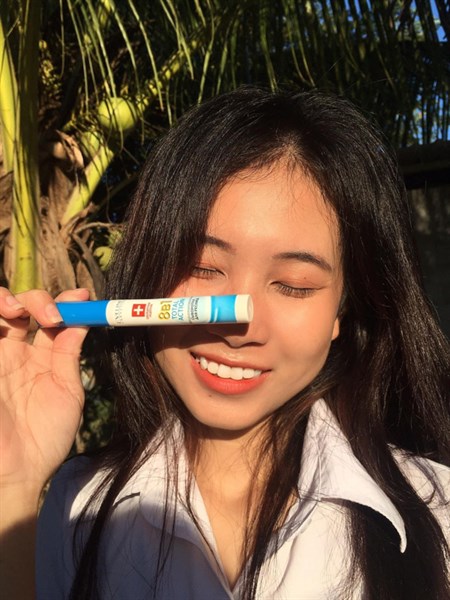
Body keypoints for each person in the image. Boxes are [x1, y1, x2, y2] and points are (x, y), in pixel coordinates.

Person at [1, 86, 449, 600]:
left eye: (294, 285)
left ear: (341, 312)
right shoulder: (74, 507)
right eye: (203, 267)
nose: (239, 326)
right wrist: (11, 484)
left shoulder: (438, 513)